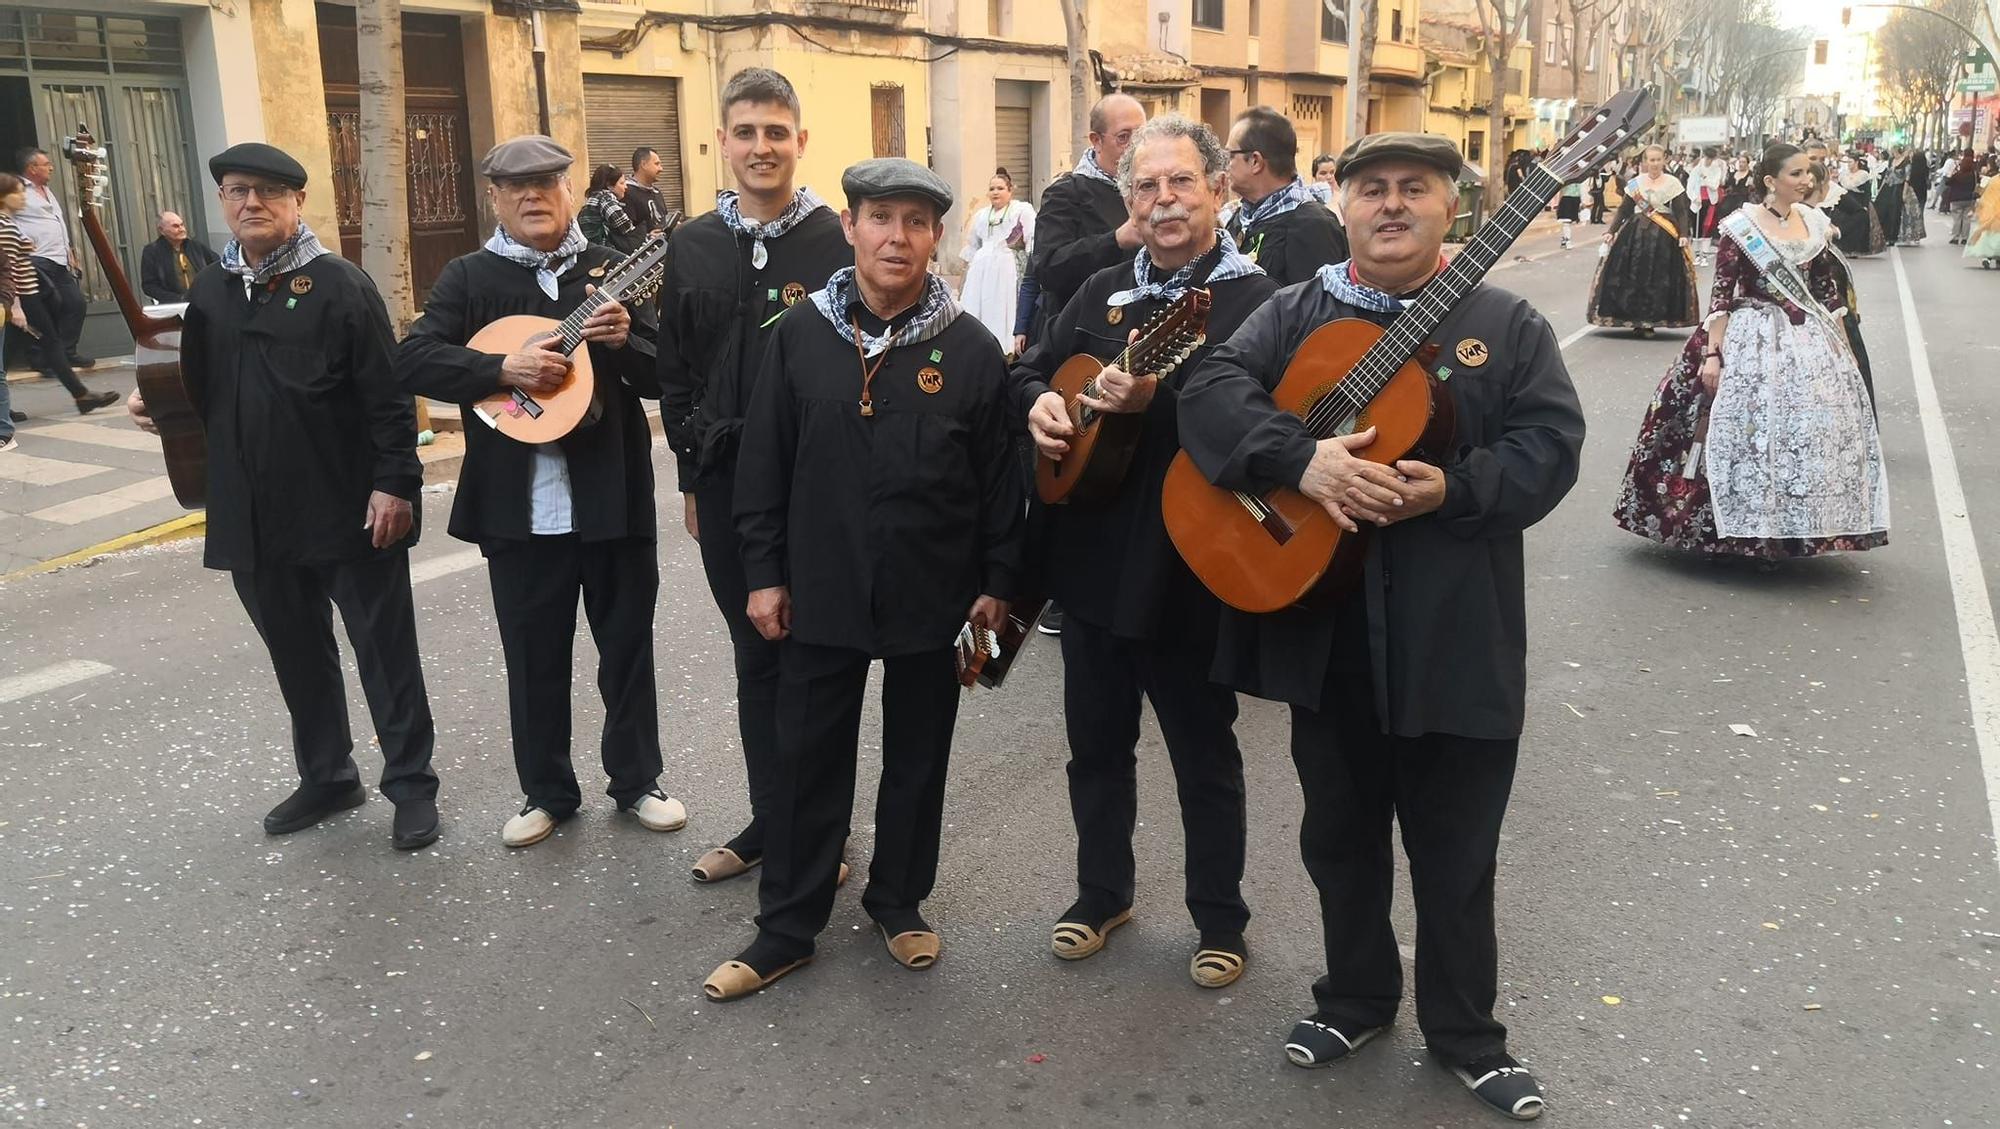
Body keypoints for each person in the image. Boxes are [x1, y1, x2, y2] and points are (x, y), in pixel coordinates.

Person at [1174, 130, 1580, 1122]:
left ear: (1451, 206)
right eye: (1370, 189)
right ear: (1342, 205)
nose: (1389, 205)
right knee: (1340, 835)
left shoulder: (1505, 321)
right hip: (1330, 633)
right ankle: (1352, 997)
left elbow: (1549, 446)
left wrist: (1452, 485)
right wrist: (1297, 461)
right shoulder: (1291, 311)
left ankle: (1466, 1034)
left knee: (1454, 849)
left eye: (1413, 188)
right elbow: (1208, 394)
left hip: (1456, 641)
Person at [701, 157, 1023, 1001]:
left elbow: (1000, 484)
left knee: (919, 756)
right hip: (821, 588)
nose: (897, 237)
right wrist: (764, 573)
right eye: (880, 218)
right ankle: (787, 926)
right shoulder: (801, 337)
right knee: (809, 759)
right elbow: (762, 468)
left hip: (935, 594)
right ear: (849, 228)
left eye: (916, 222)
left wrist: (997, 583)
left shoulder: (972, 350)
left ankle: (899, 900)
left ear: (935, 238)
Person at [1015, 114, 1275, 989]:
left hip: (1192, 566)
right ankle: (1102, 892)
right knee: (1095, 745)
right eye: (1147, 186)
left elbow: (1273, 430)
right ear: (1127, 199)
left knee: (1204, 753)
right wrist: (1041, 407)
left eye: (1181, 182)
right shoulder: (1099, 294)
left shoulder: (1259, 300)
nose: (1165, 201)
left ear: (1217, 188)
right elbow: (1033, 367)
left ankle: (1220, 919)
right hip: (1090, 563)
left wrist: (1156, 403)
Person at [125, 143, 440, 849]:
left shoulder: (341, 285)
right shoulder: (210, 291)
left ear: (297, 201)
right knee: (296, 651)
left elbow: (388, 398)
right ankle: (328, 775)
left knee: (384, 652)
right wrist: (153, 405)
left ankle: (412, 787)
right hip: (253, 513)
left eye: (268, 190)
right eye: (237, 191)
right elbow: (194, 386)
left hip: (346, 504)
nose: (250, 203)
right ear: (223, 203)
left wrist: (395, 482)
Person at [397, 135, 687, 848]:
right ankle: (547, 791)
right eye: (516, 188)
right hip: (518, 510)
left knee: (626, 648)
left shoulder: (610, 272)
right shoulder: (469, 278)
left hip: (610, 500)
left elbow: (668, 373)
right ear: (494, 199)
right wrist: (502, 369)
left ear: (569, 193)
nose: (533, 198)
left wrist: (626, 345)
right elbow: (414, 357)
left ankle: (638, 779)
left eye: (547, 185)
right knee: (533, 657)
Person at [657, 66, 851, 886]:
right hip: (729, 486)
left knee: (814, 660)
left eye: (777, 131)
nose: (762, 147)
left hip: (818, 489)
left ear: (800, 142)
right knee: (754, 654)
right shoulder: (693, 243)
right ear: (722, 143)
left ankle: (822, 837)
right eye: (747, 132)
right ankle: (771, 820)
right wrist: (694, 481)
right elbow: (676, 370)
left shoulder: (838, 242)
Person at [1613, 144, 1888, 561]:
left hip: (1807, 340)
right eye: (1796, 174)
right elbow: (1721, 296)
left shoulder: (1814, 223)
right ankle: (1738, 531)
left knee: (1799, 435)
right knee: (1743, 433)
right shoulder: (1741, 228)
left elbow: (1827, 295)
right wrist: (1711, 355)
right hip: (1750, 335)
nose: (1807, 181)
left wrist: (1843, 349)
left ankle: (1791, 529)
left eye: (1807, 174)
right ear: (1770, 181)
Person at [1029, 94, 1147, 336]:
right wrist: (1115, 241)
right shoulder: (1065, 193)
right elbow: (1048, 268)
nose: (1136, 147)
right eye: (1124, 137)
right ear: (1097, 141)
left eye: (1143, 136)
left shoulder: (1154, 190)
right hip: (1079, 334)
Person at [0, 173, 118, 414]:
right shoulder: (4, 226)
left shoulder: (9, 223)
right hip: (22, 298)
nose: (23, 197)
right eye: (17, 192)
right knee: (48, 344)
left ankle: (79, 395)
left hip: (26, 296)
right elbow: (7, 270)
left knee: (15, 351)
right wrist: (16, 307)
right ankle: (80, 395)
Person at [1223, 106, 1350, 286]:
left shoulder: (1312, 226)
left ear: (1255, 161)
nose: (1226, 165)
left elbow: (1316, 308)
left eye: (1230, 155)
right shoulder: (1240, 218)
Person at [1588, 145, 1697, 337]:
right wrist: (1611, 231)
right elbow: (1624, 210)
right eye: (1651, 160)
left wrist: (1683, 235)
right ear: (1645, 162)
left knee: (1658, 276)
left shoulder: (1673, 183)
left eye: (1658, 160)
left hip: (1664, 235)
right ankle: (1633, 317)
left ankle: (1650, 320)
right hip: (1635, 233)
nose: (1654, 164)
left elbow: (1681, 211)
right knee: (1632, 274)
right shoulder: (1635, 183)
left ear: (1664, 160)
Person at [13, 147, 91, 370]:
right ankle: (40, 358)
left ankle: (66, 353)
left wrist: (70, 252)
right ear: (32, 168)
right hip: (34, 260)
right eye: (46, 164)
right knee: (42, 309)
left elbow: (57, 223)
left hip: (58, 260)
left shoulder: (47, 190)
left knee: (75, 303)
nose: (51, 168)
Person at [960, 167, 1035, 351]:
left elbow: (1031, 238)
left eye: (1000, 188)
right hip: (982, 269)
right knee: (979, 306)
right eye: (992, 189)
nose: (995, 192)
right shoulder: (981, 215)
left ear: (1010, 190)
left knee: (1002, 308)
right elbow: (972, 244)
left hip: (1007, 267)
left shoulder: (1020, 210)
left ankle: (1005, 347)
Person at [139, 209, 219, 303]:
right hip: (172, 306)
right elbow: (149, 286)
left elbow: (218, 266)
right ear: (162, 230)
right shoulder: (152, 251)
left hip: (203, 302)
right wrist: (177, 299)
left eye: (182, 225)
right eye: (175, 226)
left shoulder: (196, 247)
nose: (182, 229)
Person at [578, 163, 643, 254]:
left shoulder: (591, 201)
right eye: (622, 183)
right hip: (604, 253)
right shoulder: (605, 198)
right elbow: (626, 227)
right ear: (609, 186)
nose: (626, 187)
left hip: (591, 253)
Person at [1831, 154, 1886, 256]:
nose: (1848, 165)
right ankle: (1844, 248)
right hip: (1847, 201)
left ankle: (1855, 249)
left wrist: (1865, 205)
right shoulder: (1844, 174)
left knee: (1858, 224)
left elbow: (1862, 190)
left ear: (1856, 162)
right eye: (1847, 163)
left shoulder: (1863, 174)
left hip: (1859, 201)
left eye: (1850, 162)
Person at [622, 146, 671, 235]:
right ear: (643, 164)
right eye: (657, 164)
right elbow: (626, 233)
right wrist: (648, 237)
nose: (661, 169)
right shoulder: (626, 192)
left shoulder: (657, 192)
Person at [1963, 160, 2000, 269]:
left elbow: (1983, 196)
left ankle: (1987, 258)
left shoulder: (1993, 180)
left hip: (1990, 213)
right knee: (1997, 239)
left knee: (1988, 237)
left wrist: (1978, 210)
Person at [1942, 144, 1980, 244]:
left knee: (1957, 218)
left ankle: (1955, 236)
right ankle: (1964, 238)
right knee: (1967, 219)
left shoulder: (1958, 174)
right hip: (1969, 199)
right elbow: (1977, 183)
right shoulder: (1974, 174)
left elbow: (1948, 182)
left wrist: (1953, 172)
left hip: (1956, 199)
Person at [1555, 181, 1582, 249]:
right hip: (1567, 199)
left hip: (1574, 199)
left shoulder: (1578, 179)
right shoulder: (1570, 179)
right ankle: (1567, 241)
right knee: (1566, 222)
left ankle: (1565, 239)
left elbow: (1579, 191)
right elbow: (1561, 190)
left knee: (1569, 222)